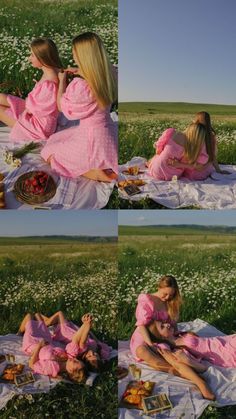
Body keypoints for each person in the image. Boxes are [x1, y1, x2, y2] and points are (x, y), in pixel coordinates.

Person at [41, 32, 118, 182]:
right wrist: (81, 70)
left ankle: (94, 172)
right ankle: (99, 164)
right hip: (107, 134)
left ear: (82, 56)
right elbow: (97, 72)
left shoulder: (81, 86)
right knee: (60, 137)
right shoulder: (111, 74)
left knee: (49, 153)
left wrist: (62, 81)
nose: (73, 56)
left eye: (74, 53)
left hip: (90, 140)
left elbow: (62, 107)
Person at [0, 38, 62, 142]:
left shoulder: (50, 83)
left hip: (38, 126)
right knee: (1, 97)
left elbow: (38, 109)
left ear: (42, 58)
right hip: (33, 112)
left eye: (32, 55)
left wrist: (24, 105)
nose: (29, 58)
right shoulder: (52, 71)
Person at [18, 313, 87, 382]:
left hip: (33, 343)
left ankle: (19, 333)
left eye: (75, 362)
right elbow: (76, 339)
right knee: (37, 316)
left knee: (29, 316)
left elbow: (32, 364)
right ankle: (33, 323)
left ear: (70, 371)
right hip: (45, 338)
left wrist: (39, 345)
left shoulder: (52, 368)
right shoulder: (69, 356)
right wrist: (86, 324)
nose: (75, 359)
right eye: (77, 360)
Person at [41, 311, 111, 372]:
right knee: (59, 319)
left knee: (60, 314)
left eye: (89, 356)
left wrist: (87, 324)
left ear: (84, 359)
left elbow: (82, 340)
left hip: (69, 334)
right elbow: (97, 341)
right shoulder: (101, 351)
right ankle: (40, 319)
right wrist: (89, 329)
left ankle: (42, 323)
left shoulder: (81, 349)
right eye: (95, 355)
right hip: (78, 331)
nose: (92, 353)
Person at [154, 320, 236, 368]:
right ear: (160, 336)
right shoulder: (178, 349)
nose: (167, 324)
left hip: (221, 341)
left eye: (164, 323)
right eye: (162, 326)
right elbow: (192, 361)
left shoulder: (179, 334)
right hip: (221, 352)